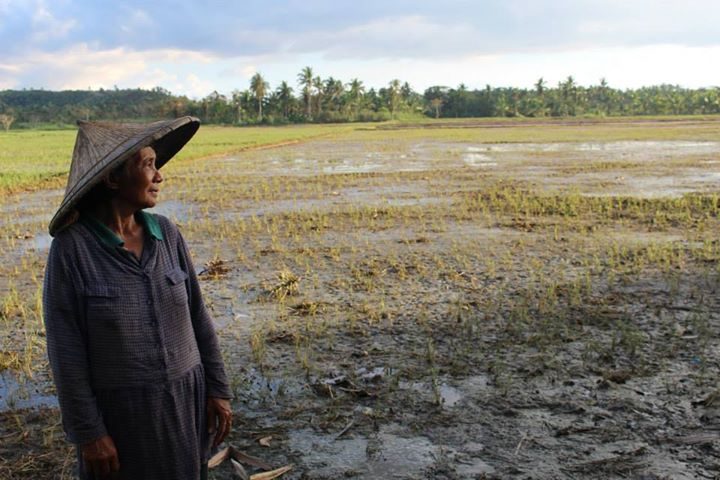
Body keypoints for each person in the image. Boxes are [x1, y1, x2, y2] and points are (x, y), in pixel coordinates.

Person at [43, 117, 232, 480]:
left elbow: (198, 316)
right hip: (122, 414)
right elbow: (66, 352)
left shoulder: (168, 234)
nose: (159, 175)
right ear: (113, 178)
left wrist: (218, 389)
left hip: (184, 402)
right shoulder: (72, 251)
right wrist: (89, 432)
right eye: (147, 164)